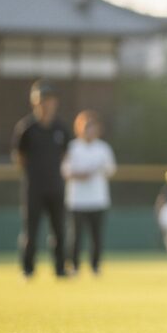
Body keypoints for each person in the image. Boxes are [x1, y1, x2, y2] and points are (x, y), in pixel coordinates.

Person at [11, 80, 72, 280]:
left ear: (55, 102)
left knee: (59, 230)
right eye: (42, 100)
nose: (46, 104)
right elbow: (19, 157)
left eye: (50, 100)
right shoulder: (26, 128)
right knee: (31, 229)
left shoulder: (61, 129)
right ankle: (28, 269)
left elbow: (66, 155)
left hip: (56, 185)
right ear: (34, 103)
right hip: (34, 186)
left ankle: (60, 269)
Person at [62, 110, 117, 276]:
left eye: (93, 127)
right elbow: (65, 171)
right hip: (77, 200)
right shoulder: (72, 147)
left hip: (98, 199)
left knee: (96, 236)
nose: (90, 130)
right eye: (86, 127)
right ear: (79, 128)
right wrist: (81, 175)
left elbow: (111, 170)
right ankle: (74, 265)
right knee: (75, 236)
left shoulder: (103, 148)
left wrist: (97, 171)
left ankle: (95, 266)